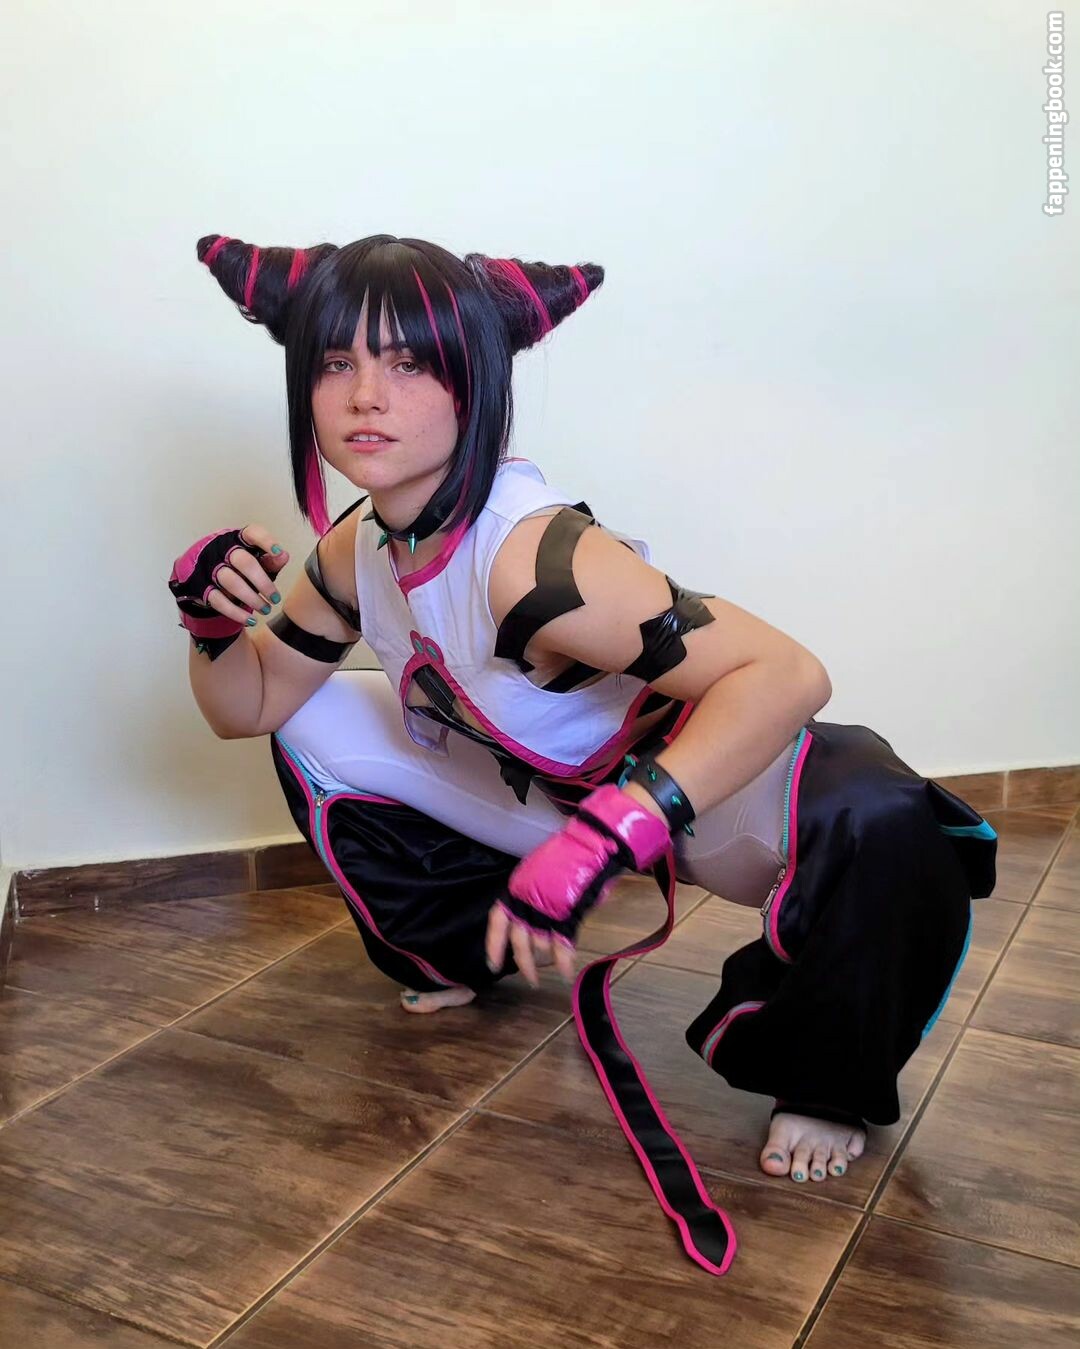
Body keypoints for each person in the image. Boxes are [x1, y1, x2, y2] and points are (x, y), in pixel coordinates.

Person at [169, 232, 997, 1276]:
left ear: (475, 379)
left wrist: (606, 840)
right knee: (312, 720)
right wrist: (210, 628)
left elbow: (787, 675)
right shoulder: (357, 549)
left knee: (882, 815)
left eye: (410, 361)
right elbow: (248, 707)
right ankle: (459, 951)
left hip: (699, 800)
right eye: (337, 361)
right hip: (548, 795)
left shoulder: (530, 555)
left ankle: (826, 1081)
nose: (365, 395)